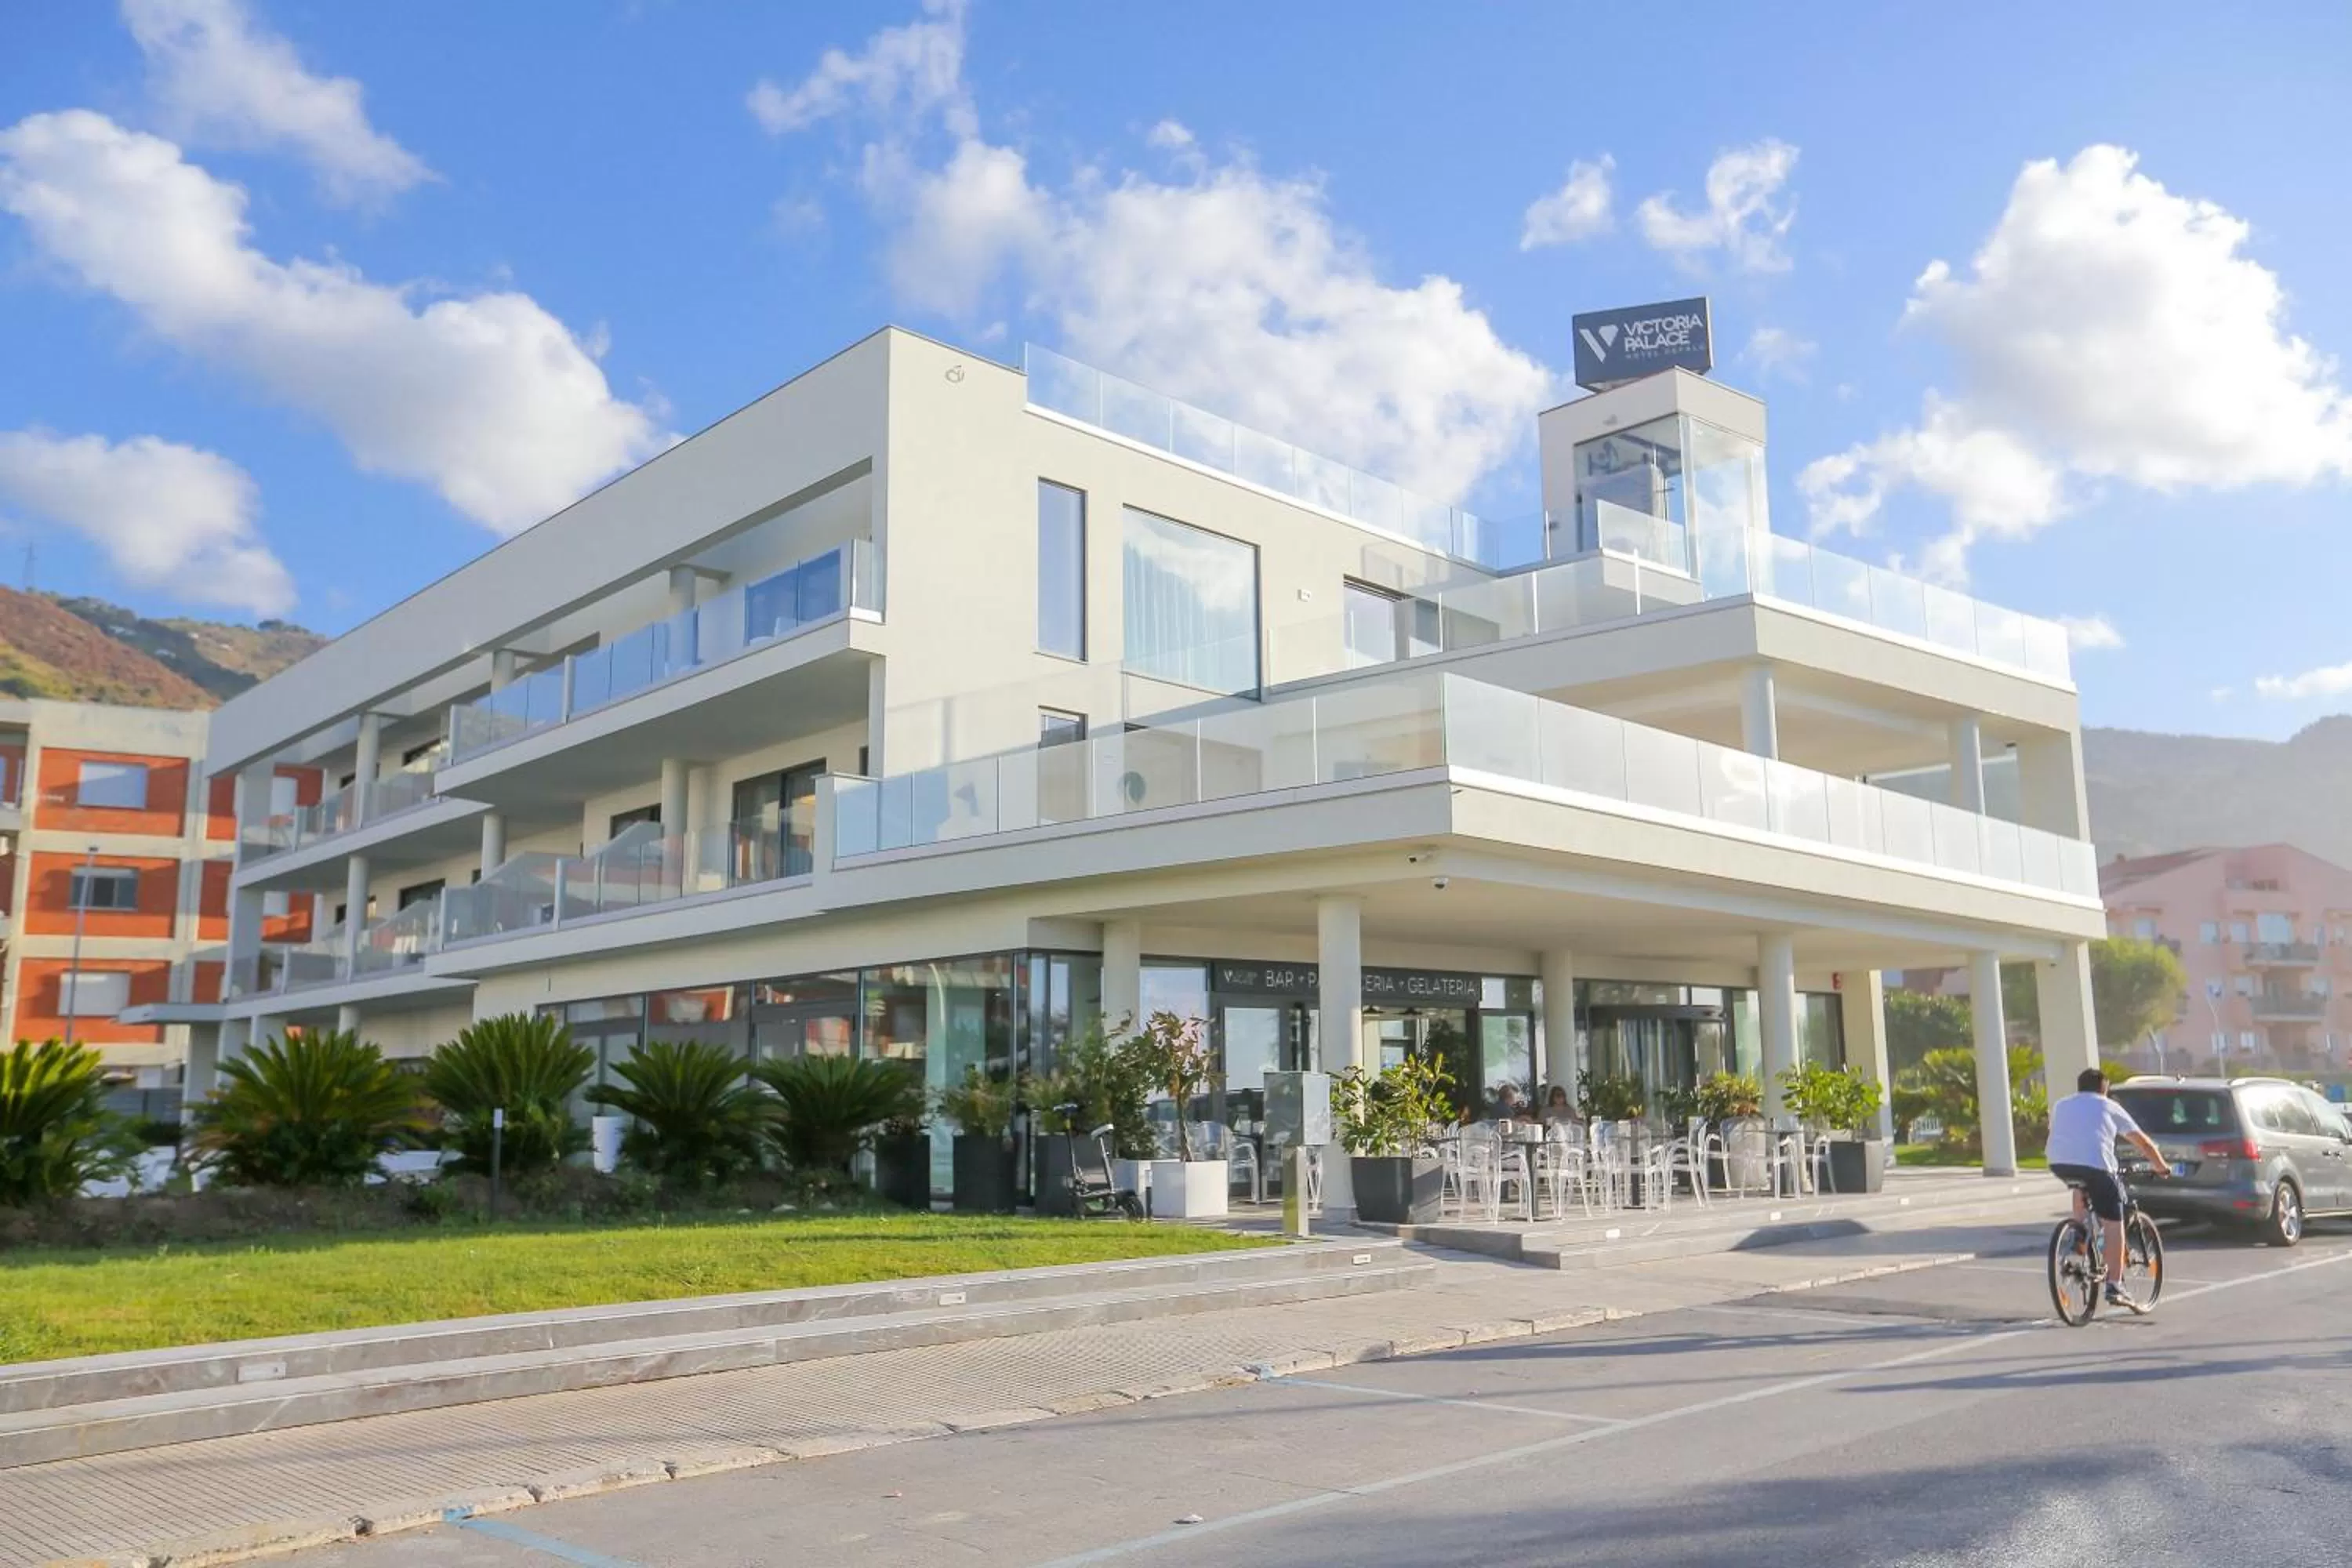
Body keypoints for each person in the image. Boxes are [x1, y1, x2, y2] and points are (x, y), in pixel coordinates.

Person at [2045, 1067, 2172, 1312]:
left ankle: (2079, 1233)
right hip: (2097, 1166)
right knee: (2114, 1222)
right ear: (2104, 1088)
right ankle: (2115, 1284)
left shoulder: (2062, 1104)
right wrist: (2161, 1167)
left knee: (2081, 1183)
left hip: (2060, 1163)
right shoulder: (2107, 1106)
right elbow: (2143, 1142)